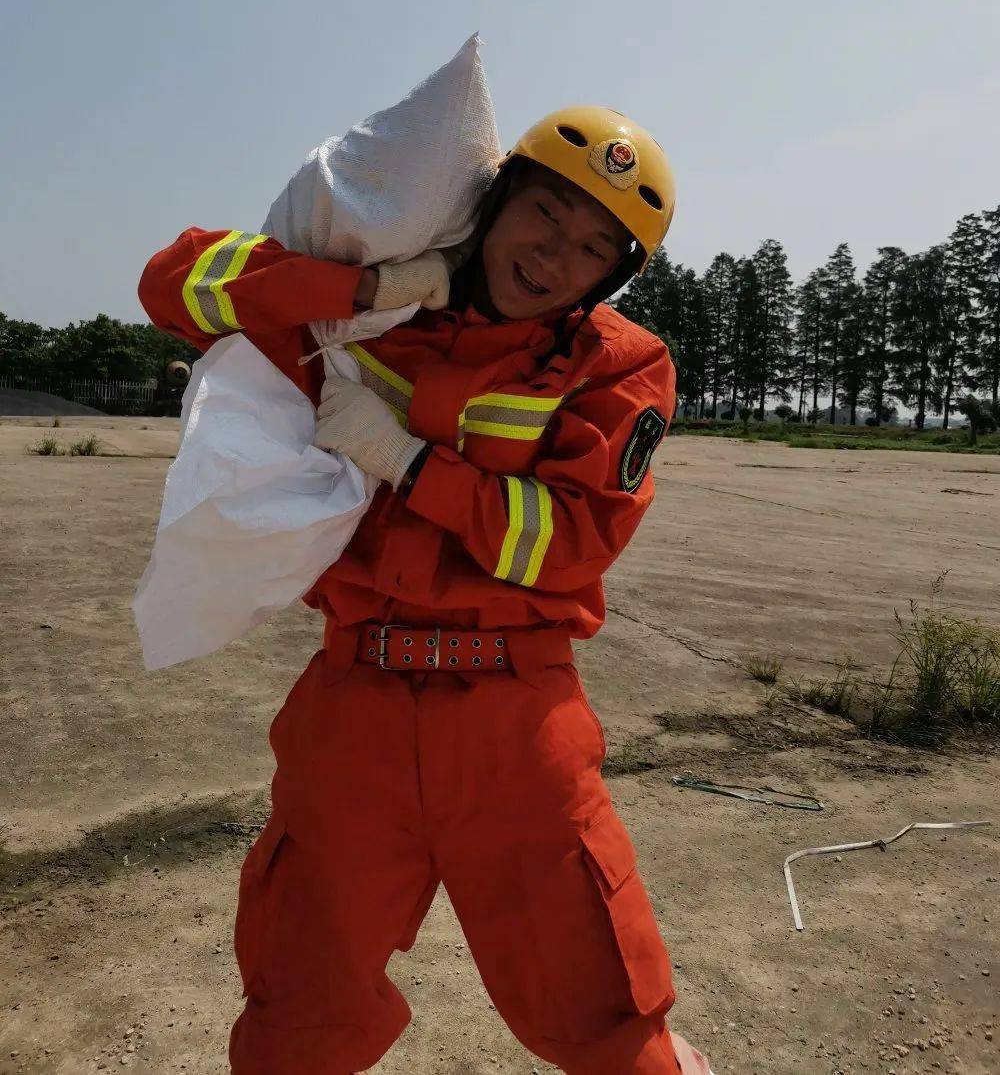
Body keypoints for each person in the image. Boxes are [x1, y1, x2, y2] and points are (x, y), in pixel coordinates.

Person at [139, 106, 711, 1075]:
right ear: (493, 202)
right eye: (542, 212)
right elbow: (174, 286)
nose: (551, 254)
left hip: (515, 722)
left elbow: (567, 541)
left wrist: (406, 461)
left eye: (589, 246)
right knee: (295, 1018)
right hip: (350, 707)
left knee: (608, 1019)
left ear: (609, 274)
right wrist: (361, 280)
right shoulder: (373, 303)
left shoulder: (620, 365)